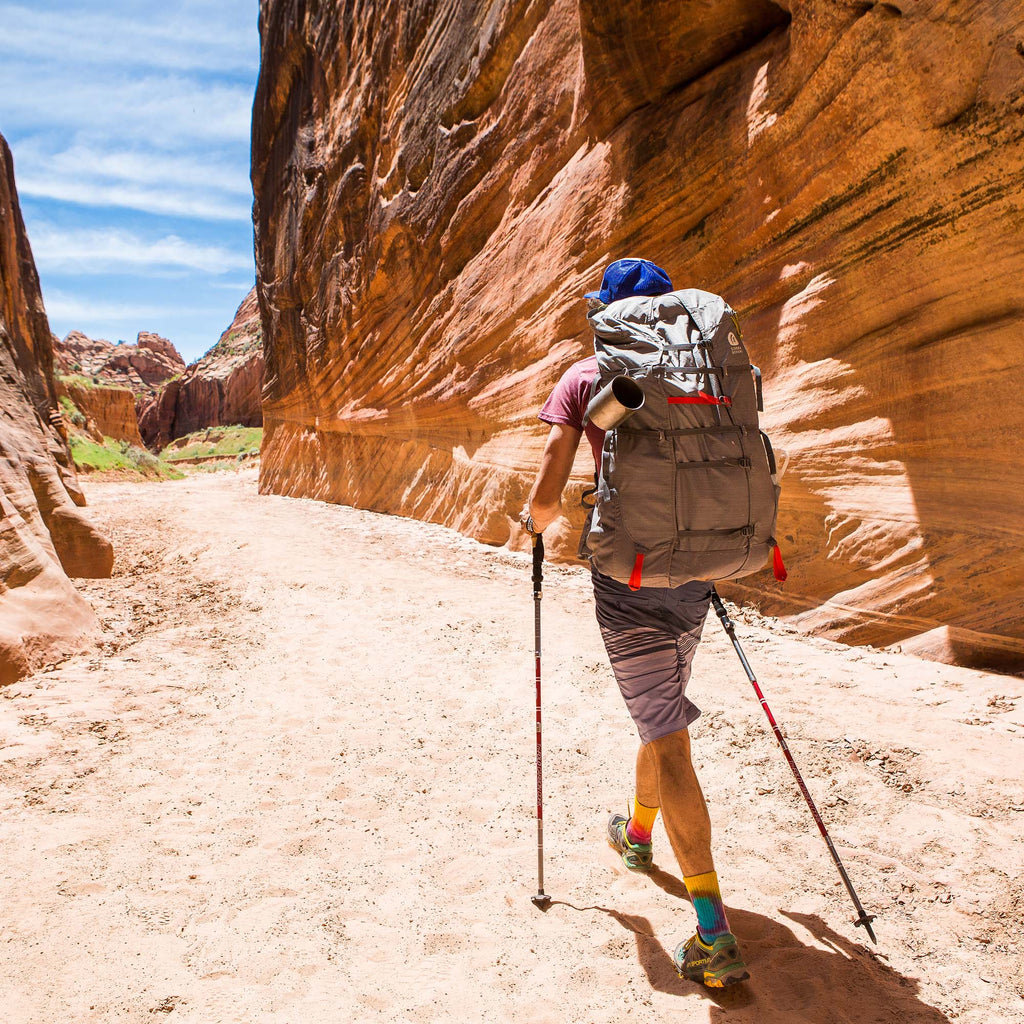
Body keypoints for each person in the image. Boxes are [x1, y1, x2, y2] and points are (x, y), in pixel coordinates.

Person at [520, 257, 750, 989]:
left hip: (628, 580)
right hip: (699, 570)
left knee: (667, 737)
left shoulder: (585, 378)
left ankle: (712, 934)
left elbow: (547, 494)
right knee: (662, 714)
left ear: (611, 315)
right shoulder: (705, 373)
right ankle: (638, 834)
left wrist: (533, 529)